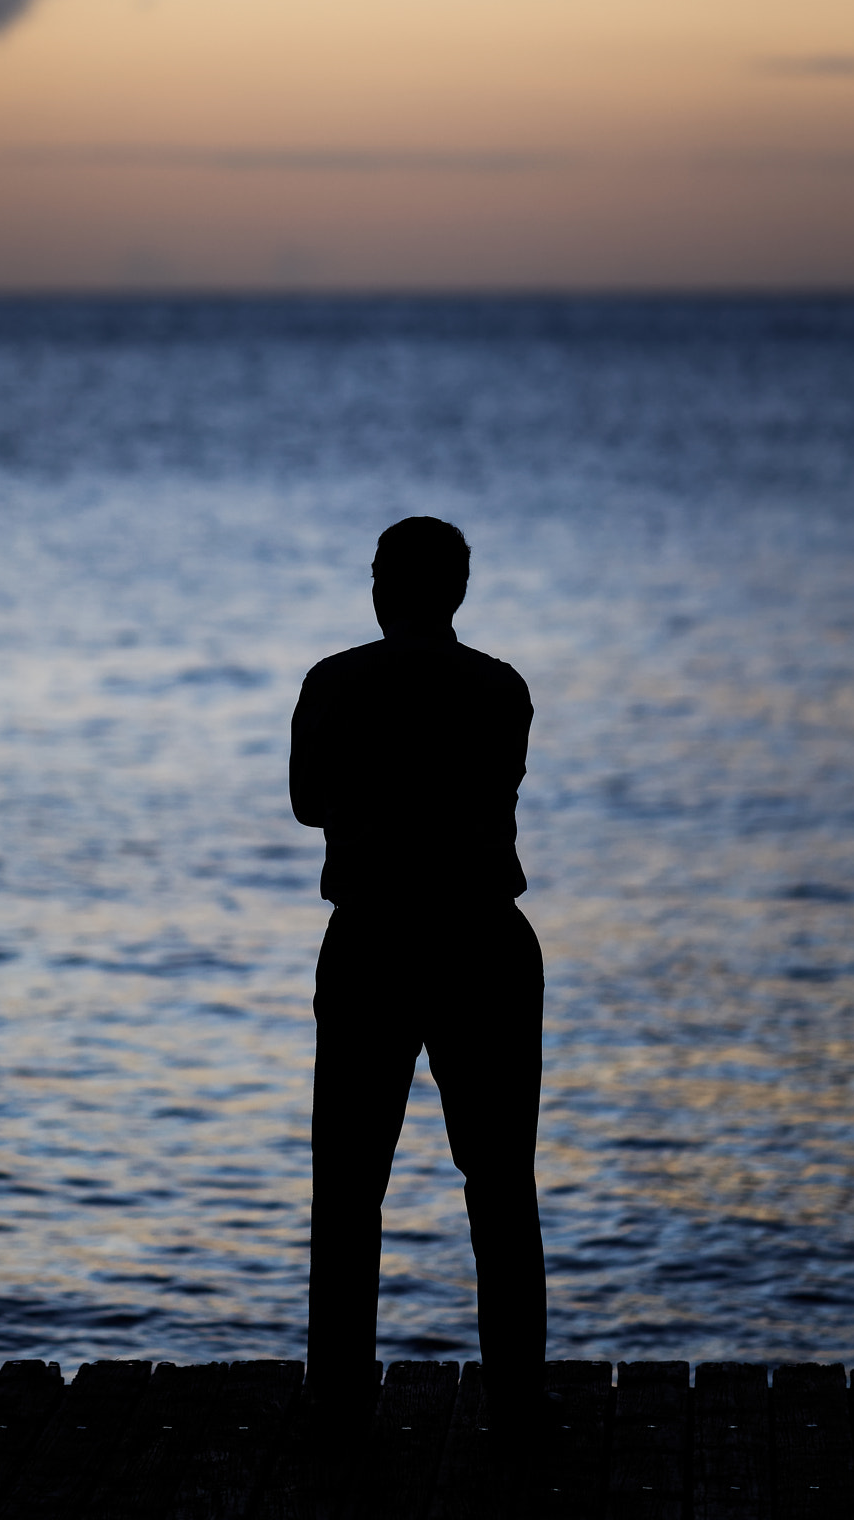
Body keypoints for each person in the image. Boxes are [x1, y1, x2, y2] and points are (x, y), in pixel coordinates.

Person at [290, 515, 547, 1468]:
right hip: (485, 937)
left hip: (371, 940)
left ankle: (339, 1408)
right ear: (459, 592)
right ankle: (519, 1408)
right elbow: (501, 786)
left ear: (379, 586)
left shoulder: (334, 683)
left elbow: (308, 801)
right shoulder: (501, 688)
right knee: (501, 1185)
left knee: (349, 1190)